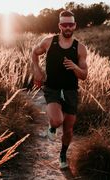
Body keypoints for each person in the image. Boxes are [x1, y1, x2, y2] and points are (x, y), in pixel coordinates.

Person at [31, 10, 88, 169]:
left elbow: (84, 75)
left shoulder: (80, 48)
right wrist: (36, 69)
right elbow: (34, 53)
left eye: (71, 24)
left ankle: (63, 154)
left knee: (68, 130)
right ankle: (52, 125)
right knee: (57, 120)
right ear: (59, 26)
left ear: (75, 25)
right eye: (64, 24)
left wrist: (75, 67)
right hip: (52, 88)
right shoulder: (49, 42)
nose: (68, 27)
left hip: (71, 91)